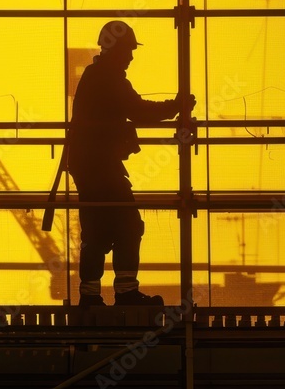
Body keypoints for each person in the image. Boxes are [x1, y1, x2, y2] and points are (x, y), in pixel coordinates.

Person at [68, 21, 195, 307]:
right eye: (128, 50)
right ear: (116, 49)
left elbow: (130, 111)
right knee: (127, 225)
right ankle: (125, 293)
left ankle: (90, 296)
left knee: (97, 228)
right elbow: (138, 111)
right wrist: (177, 106)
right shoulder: (107, 77)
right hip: (99, 166)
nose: (131, 57)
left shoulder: (97, 75)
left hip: (91, 165)